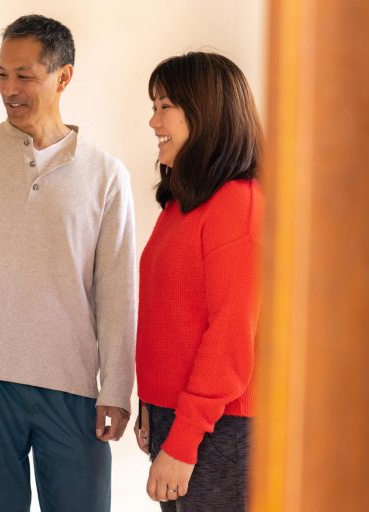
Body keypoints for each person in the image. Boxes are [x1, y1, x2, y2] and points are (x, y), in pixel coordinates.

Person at [0, 14, 136, 512]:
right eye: (2, 74)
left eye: (24, 76)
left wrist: (116, 389)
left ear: (63, 77)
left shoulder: (106, 175)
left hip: (72, 388)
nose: (9, 89)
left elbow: (117, 291)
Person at [133, 52, 264, 511]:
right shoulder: (180, 205)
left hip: (219, 429)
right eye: (153, 107)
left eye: (164, 106)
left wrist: (184, 438)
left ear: (204, 112)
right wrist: (151, 402)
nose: (153, 122)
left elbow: (230, 336)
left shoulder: (238, 204)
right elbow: (167, 316)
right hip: (179, 418)